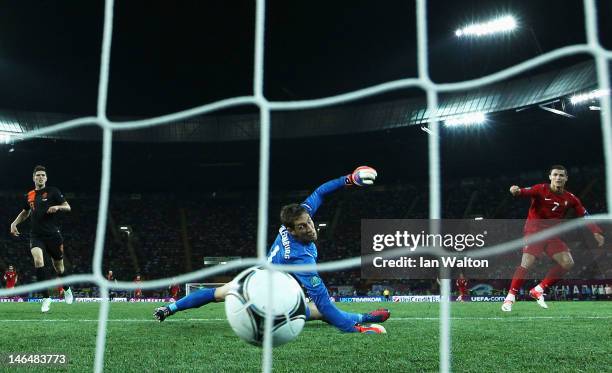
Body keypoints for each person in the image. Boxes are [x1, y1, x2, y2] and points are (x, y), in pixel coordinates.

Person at [154, 166, 390, 333]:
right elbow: (326, 304)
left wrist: (348, 179)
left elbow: (319, 192)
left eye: (309, 222)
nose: (309, 228)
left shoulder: (298, 217)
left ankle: (169, 308)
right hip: (267, 299)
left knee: (218, 293)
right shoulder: (300, 259)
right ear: (291, 230)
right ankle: (363, 319)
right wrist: (354, 330)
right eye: (302, 227)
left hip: (258, 277)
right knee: (319, 310)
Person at [501, 165, 604, 312]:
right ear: (550, 177)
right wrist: (516, 191)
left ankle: (538, 290)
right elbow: (523, 191)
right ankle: (510, 298)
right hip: (534, 232)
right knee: (527, 263)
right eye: (555, 175)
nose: (558, 178)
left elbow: (583, 213)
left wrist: (595, 231)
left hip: (552, 235)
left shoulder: (570, 198)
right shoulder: (540, 189)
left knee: (568, 263)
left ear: (566, 178)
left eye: (561, 175)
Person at [10, 165, 74, 312]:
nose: (40, 177)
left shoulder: (53, 191)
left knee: (59, 268)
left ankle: (67, 289)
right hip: (36, 235)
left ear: (46, 178)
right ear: (33, 177)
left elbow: (68, 207)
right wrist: (14, 223)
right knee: (38, 261)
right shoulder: (30, 195)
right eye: (38, 175)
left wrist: (58, 207)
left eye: (43, 175)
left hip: (53, 235)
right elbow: (25, 212)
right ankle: (46, 298)